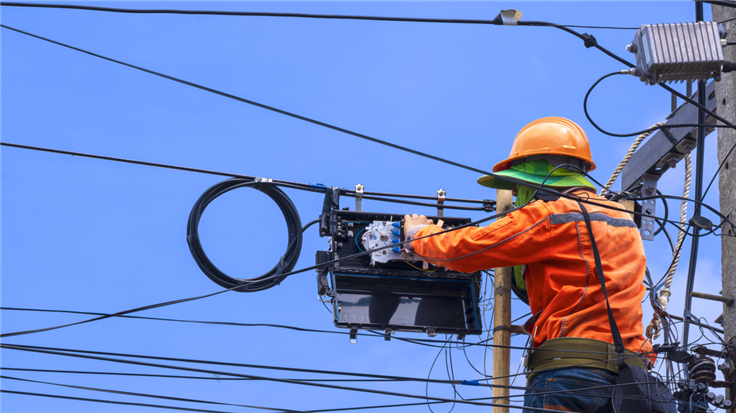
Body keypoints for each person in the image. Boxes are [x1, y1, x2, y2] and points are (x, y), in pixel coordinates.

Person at [403, 117, 653, 413]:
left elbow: (469, 247)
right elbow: (591, 286)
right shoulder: (623, 219)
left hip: (569, 374)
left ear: (534, 178)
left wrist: (419, 236)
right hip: (632, 382)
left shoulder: (550, 214)